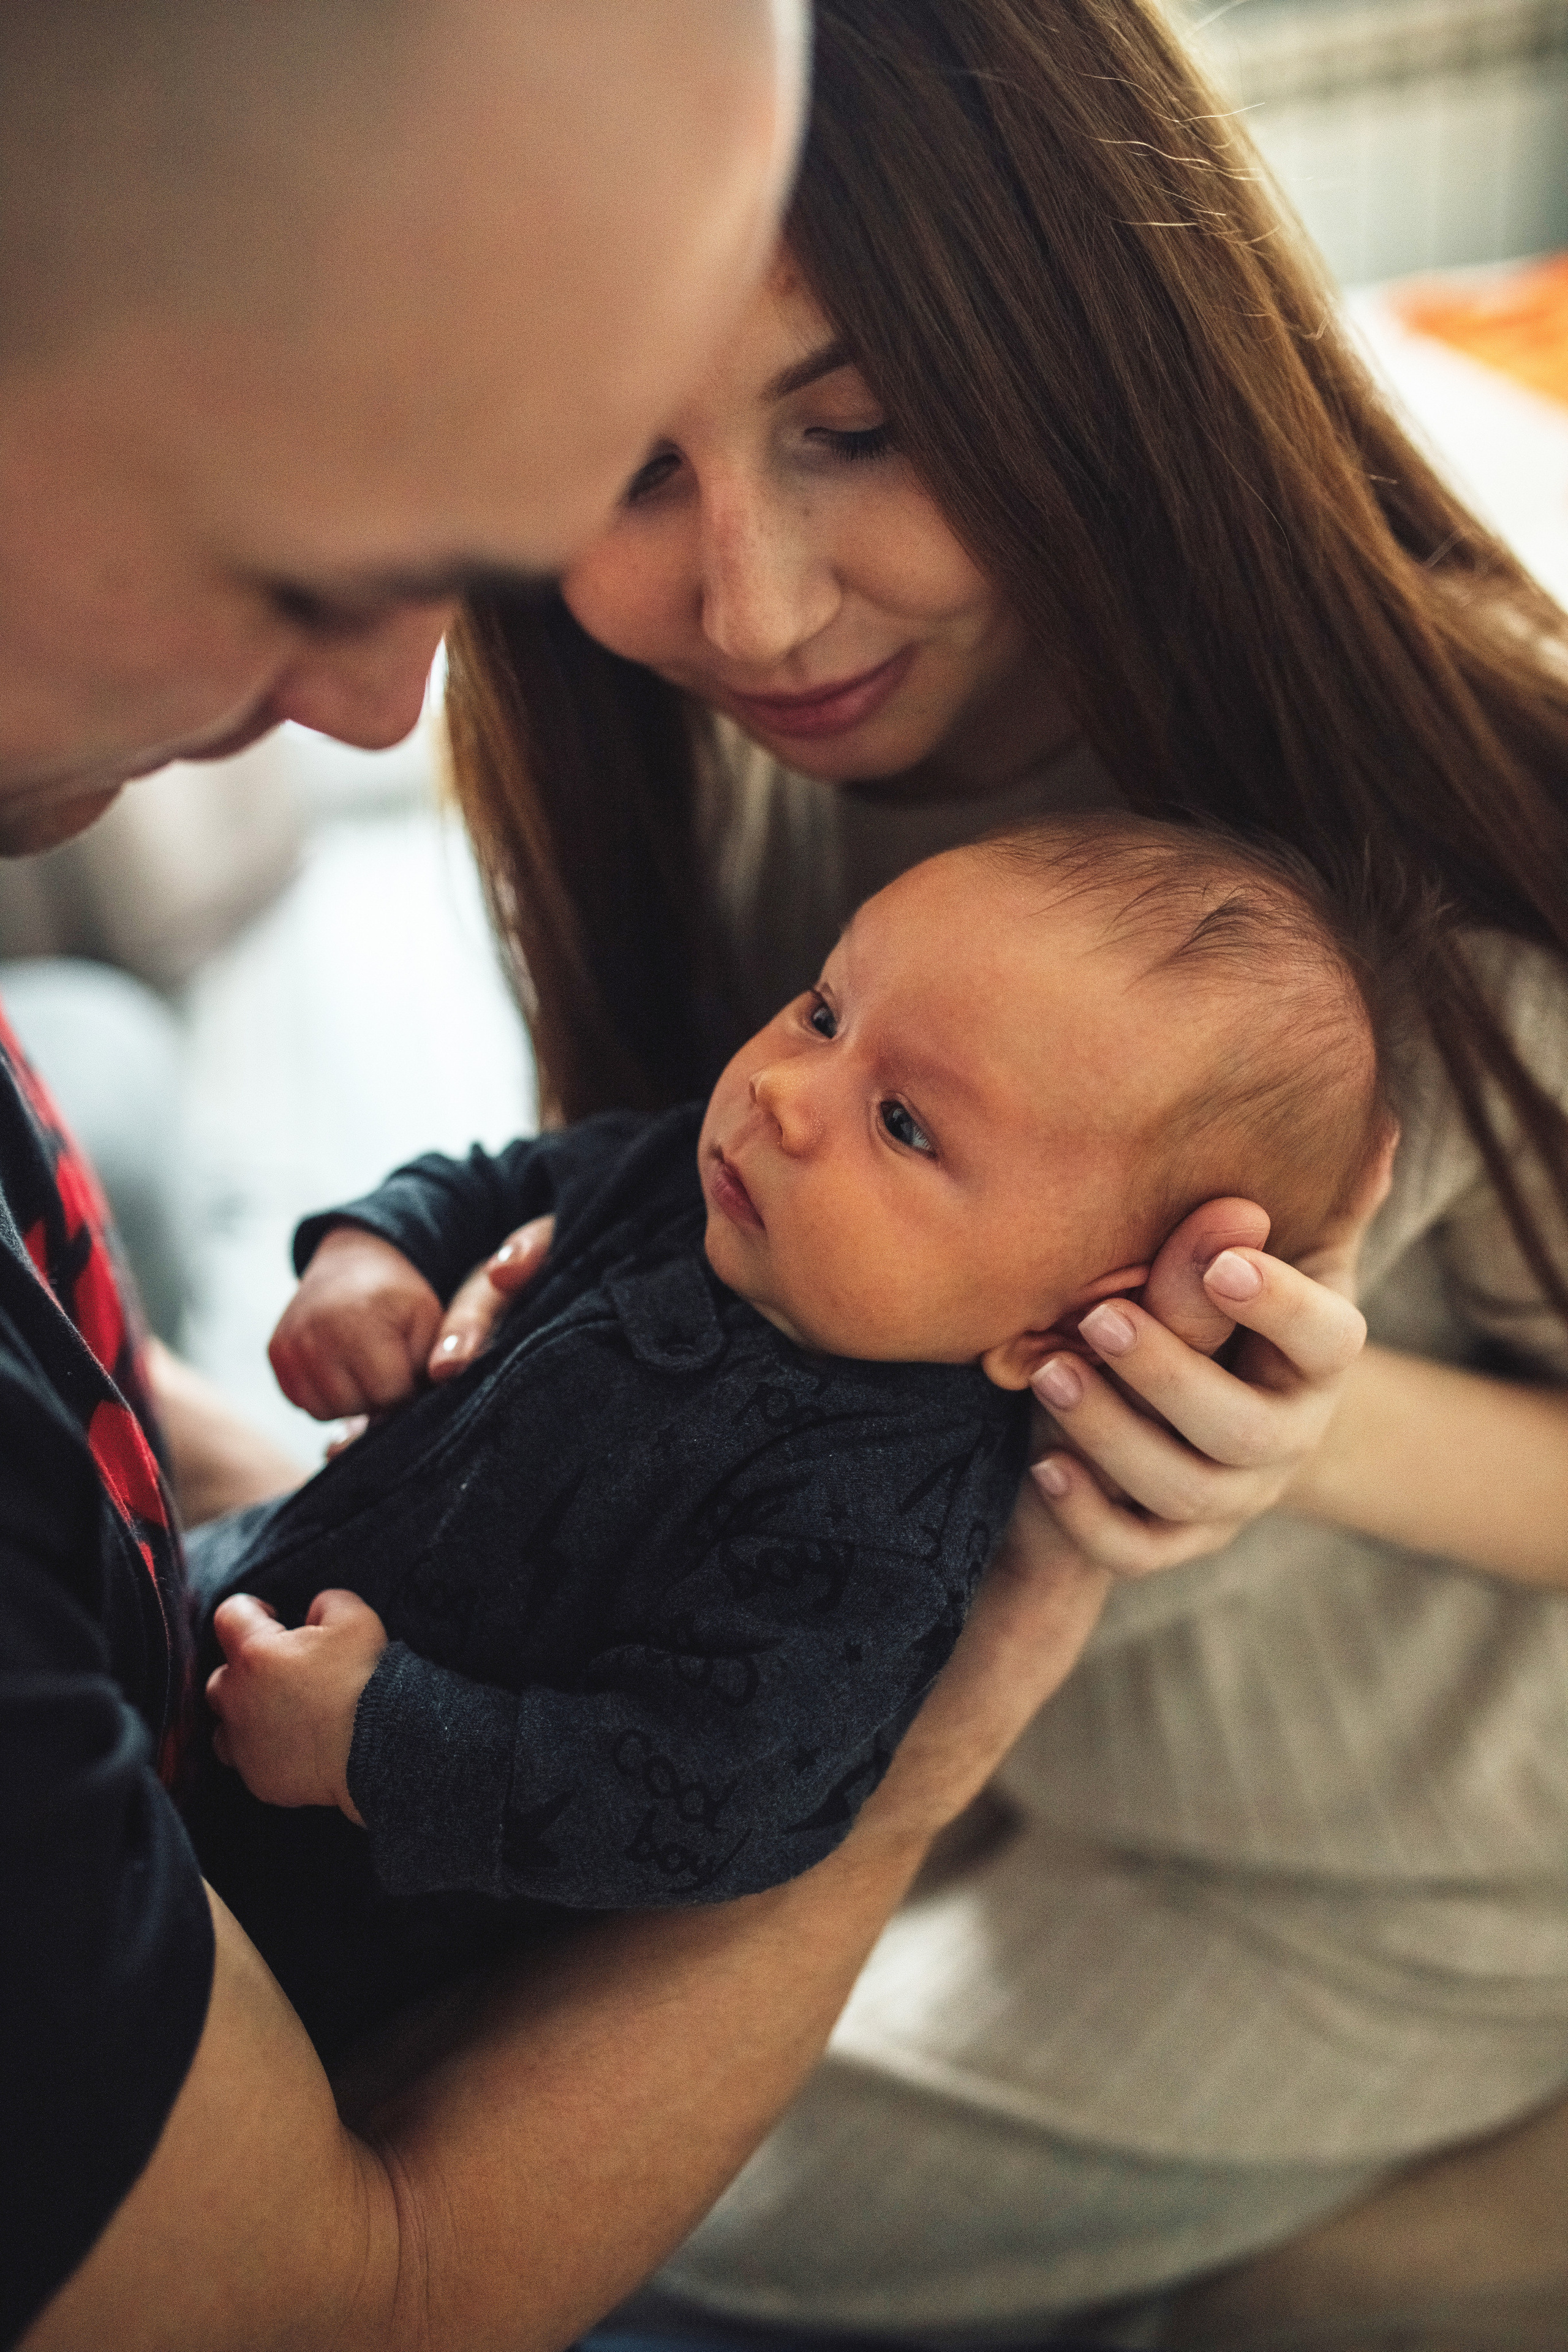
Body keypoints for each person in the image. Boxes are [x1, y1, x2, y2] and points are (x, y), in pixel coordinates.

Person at [428, 0, 1568, 2335]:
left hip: (1383, 1901)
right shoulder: (707, 765)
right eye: (617, 467)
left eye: (856, 426)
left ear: (1087, 344)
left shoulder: (1442, 866)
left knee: (604, 2224)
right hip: (926, 1761)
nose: (749, 605)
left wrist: (1298, 1434)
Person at [0, 8, 1127, 2350]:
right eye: (306, 553)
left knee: (99, 1045)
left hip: (308, 1689)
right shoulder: (728, 1141)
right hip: (302, 1867)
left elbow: (703, 1782)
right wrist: (381, 1245)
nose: (383, 712)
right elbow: (331, 2298)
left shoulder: (878, 1498)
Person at [185, 816, 1387, 2067]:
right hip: (213, 1590)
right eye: (823, 1011)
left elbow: (705, 1800)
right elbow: (498, 1181)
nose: (780, 1092)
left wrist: (376, 1744)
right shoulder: (695, 1180)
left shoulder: (871, 1524)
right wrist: (369, 1256)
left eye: (906, 1127)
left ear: (1060, 1330)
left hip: (306, 1920)